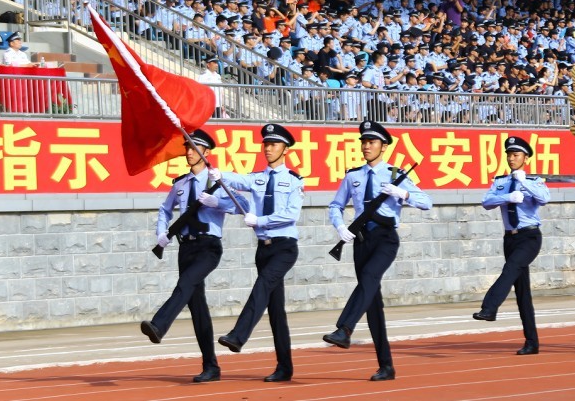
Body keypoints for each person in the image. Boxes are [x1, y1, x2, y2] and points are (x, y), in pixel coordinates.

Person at [324, 120, 432, 381]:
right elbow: (335, 205)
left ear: (383, 146)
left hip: (385, 238)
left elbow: (427, 201)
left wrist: (402, 194)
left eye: (371, 142)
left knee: (370, 278)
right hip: (361, 240)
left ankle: (345, 328)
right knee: (372, 304)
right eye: (364, 142)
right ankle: (386, 366)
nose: (366, 146)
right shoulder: (354, 175)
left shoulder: (396, 175)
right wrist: (340, 228)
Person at [140, 129, 247, 383]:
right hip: (186, 247)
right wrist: (161, 234)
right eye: (187, 148)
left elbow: (244, 206)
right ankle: (211, 367)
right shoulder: (181, 183)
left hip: (208, 247)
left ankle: (159, 325)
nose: (188, 152)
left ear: (206, 152)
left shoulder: (217, 181)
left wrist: (217, 203)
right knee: (198, 309)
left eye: (194, 148)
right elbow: (165, 210)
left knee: (185, 284)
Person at [214, 124, 303, 382]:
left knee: (262, 287)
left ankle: (238, 335)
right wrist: (217, 173)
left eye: (274, 144)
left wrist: (261, 221)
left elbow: (291, 215)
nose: (268, 148)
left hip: (284, 247)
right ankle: (284, 367)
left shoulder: (294, 180)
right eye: (266, 144)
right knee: (276, 312)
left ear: (285, 149)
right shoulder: (257, 178)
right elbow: (236, 179)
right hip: (262, 250)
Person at [473, 136, 550, 356]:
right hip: (510, 238)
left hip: (529, 237)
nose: (511, 158)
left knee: (510, 270)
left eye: (516, 155)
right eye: (509, 154)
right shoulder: (501, 182)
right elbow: (487, 202)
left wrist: (524, 182)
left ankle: (489, 308)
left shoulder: (534, 180)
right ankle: (532, 342)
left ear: (525, 158)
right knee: (522, 293)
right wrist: (508, 196)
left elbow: (545, 198)